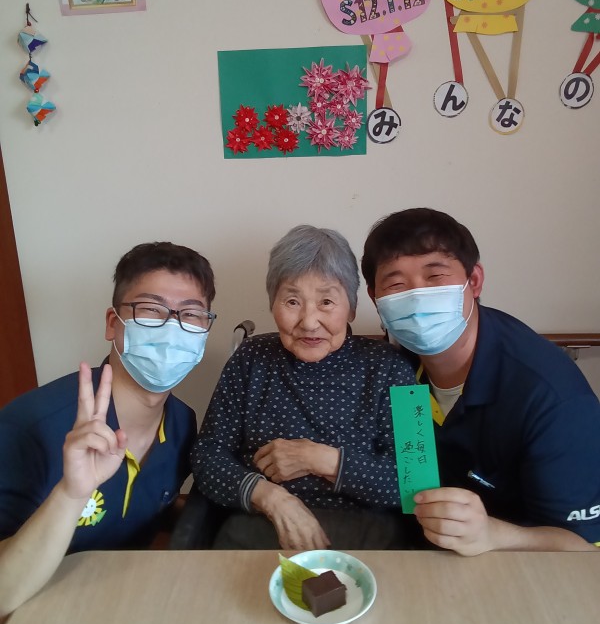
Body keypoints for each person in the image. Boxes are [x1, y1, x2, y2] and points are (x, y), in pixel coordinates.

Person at [361, 207, 600, 555]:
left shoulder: (552, 398)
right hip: (419, 554)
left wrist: (494, 535)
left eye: (435, 276)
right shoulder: (394, 365)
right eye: (397, 284)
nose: (417, 298)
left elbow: (585, 553)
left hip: (517, 564)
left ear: (473, 281)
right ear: (376, 299)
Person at [0, 241, 216, 615]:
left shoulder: (182, 424)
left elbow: (147, 508)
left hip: (124, 604)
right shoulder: (27, 428)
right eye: (151, 310)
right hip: (34, 620)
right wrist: (70, 494)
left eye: (191, 314)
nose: (172, 328)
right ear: (113, 324)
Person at [191, 225, 414, 551]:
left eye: (326, 301)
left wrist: (322, 460)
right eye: (292, 301)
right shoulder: (250, 359)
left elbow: (415, 481)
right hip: (258, 528)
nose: (309, 321)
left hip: (367, 538)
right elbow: (207, 455)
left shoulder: (393, 367)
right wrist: (270, 497)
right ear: (273, 304)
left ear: (351, 307)